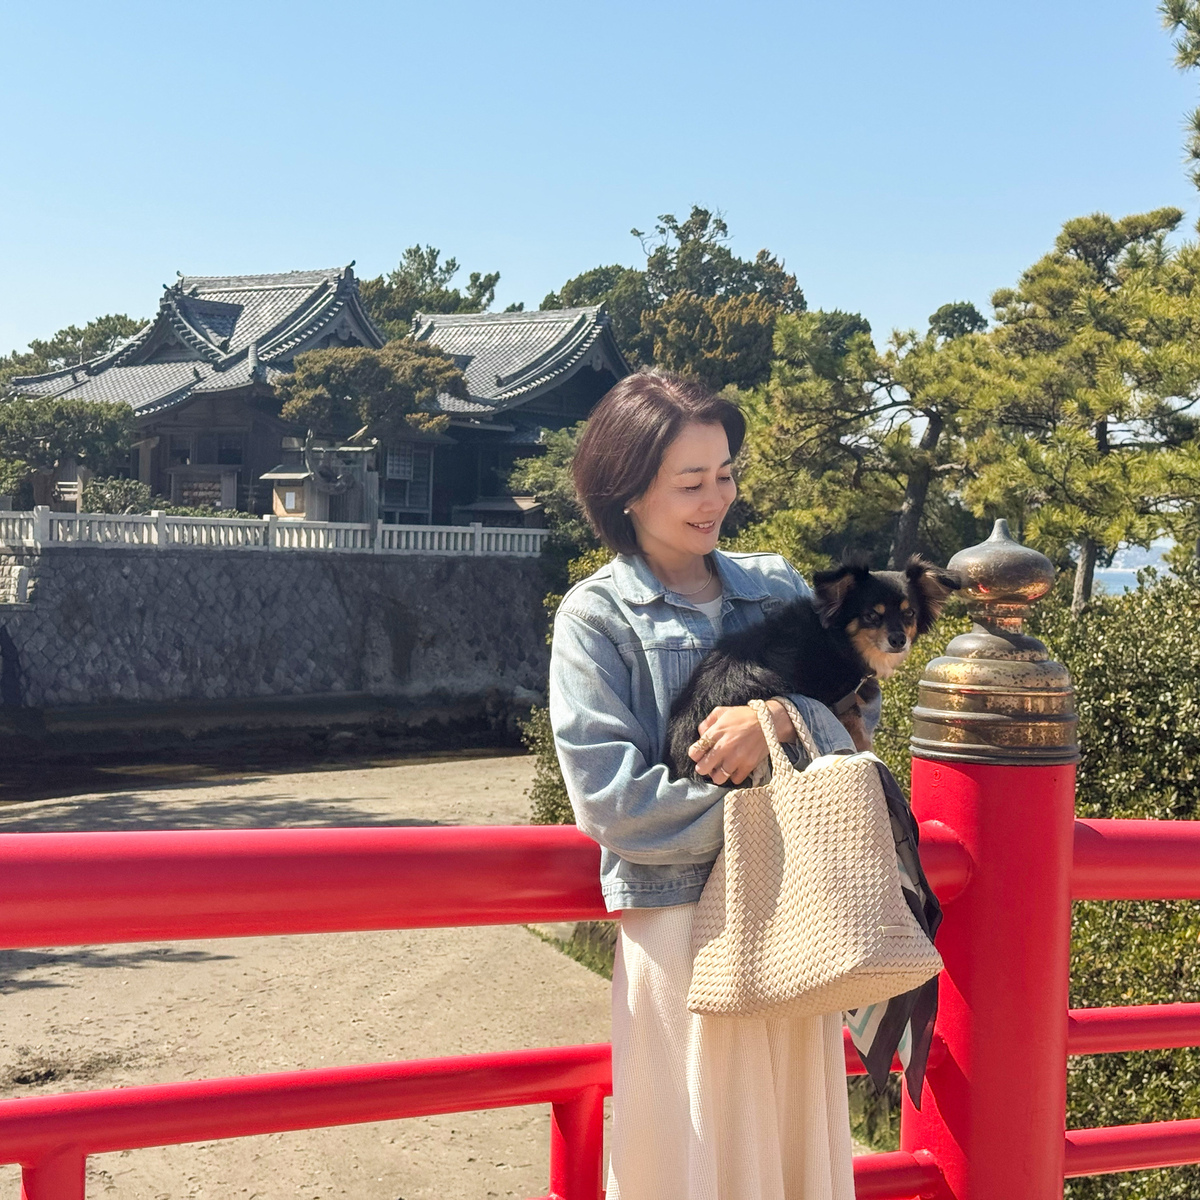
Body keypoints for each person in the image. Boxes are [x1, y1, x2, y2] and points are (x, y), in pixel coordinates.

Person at [548, 370, 858, 1200]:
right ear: (626, 491)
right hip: (682, 924)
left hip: (796, 919)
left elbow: (858, 742)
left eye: (724, 474)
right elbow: (613, 801)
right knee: (688, 1156)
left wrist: (785, 720)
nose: (715, 497)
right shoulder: (597, 616)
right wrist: (763, 815)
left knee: (790, 1151)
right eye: (690, 482)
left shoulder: (778, 586)